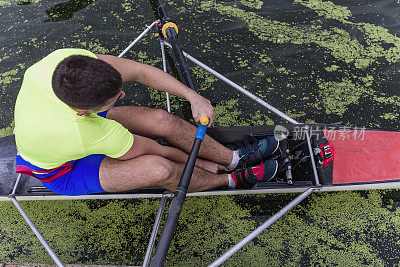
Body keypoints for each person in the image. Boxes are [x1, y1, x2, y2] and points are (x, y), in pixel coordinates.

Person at [14, 48, 279, 196]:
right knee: (160, 169)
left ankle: (234, 157)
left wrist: (192, 96)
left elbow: (139, 71)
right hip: (61, 171)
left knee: (160, 119)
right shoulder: (86, 132)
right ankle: (229, 179)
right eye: (115, 99)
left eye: (119, 89)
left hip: (56, 126)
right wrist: (202, 165)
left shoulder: (62, 63)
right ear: (85, 112)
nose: (124, 95)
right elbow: (159, 150)